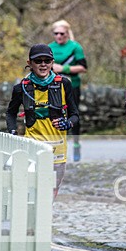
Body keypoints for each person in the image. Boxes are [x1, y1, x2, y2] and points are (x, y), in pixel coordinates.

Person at [5, 44, 79, 197]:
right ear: (29, 63)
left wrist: (68, 123)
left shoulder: (64, 84)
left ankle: (44, 218)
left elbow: (75, 115)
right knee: (31, 186)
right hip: (32, 143)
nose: (43, 64)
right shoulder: (21, 88)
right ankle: (31, 217)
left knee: (53, 188)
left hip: (57, 146)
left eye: (47, 61)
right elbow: (10, 113)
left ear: (52, 63)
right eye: (38, 61)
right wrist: (12, 131)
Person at [49, 20, 87, 162]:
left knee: (73, 113)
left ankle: (76, 144)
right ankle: (56, 146)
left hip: (72, 86)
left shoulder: (75, 47)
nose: (59, 36)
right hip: (53, 86)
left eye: (62, 33)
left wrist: (64, 69)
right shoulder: (49, 47)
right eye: (56, 33)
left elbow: (83, 67)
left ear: (67, 33)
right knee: (53, 114)